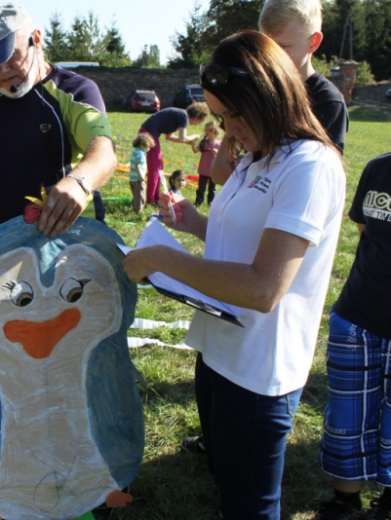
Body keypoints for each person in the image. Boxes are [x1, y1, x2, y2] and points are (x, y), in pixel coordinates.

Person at [123, 31, 345, 519]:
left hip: (259, 369)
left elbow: (264, 287)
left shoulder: (309, 166)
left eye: (234, 116)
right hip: (219, 350)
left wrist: (160, 260)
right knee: (228, 485)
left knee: (250, 506)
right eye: (220, 118)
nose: (228, 133)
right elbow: (246, 239)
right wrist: (195, 223)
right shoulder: (258, 156)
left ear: (270, 96)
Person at [0, 3, 117, 255]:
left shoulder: (75, 91)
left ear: (37, 39)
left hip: (70, 256)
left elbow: (103, 152)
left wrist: (78, 183)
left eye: (9, 55)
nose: (2, 70)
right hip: (1, 257)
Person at [310, 152, 391, 520]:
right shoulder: (379, 168)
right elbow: (363, 231)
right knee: (347, 414)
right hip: (358, 314)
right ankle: (345, 501)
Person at [211, 0, 349, 185]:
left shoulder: (328, 102)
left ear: (313, 42)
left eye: (282, 48)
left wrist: (256, 181)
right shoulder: (253, 89)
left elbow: (322, 181)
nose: (270, 58)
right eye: (265, 47)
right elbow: (220, 169)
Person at [138, 103, 209, 205]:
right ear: (197, 117)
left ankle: (155, 197)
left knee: (159, 166)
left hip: (150, 133)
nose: (198, 124)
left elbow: (169, 137)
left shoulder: (180, 116)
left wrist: (186, 141)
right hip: (148, 133)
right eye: (199, 121)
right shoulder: (183, 116)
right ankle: (151, 199)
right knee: (155, 167)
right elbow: (182, 137)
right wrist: (193, 137)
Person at [192, 121, 221, 207]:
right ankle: (198, 202)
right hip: (203, 170)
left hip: (214, 171)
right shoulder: (204, 143)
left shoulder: (220, 143)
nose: (207, 132)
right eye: (206, 130)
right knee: (201, 188)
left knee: (212, 189)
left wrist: (217, 152)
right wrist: (193, 143)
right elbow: (195, 150)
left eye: (210, 130)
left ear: (215, 132)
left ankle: (211, 203)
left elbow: (224, 156)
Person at [129, 133, 154, 214]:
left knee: (136, 195)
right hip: (138, 179)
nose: (149, 149)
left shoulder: (135, 151)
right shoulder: (140, 154)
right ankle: (138, 212)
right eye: (148, 147)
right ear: (143, 144)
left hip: (132, 178)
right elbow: (138, 165)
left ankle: (134, 207)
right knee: (140, 196)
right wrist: (141, 177)